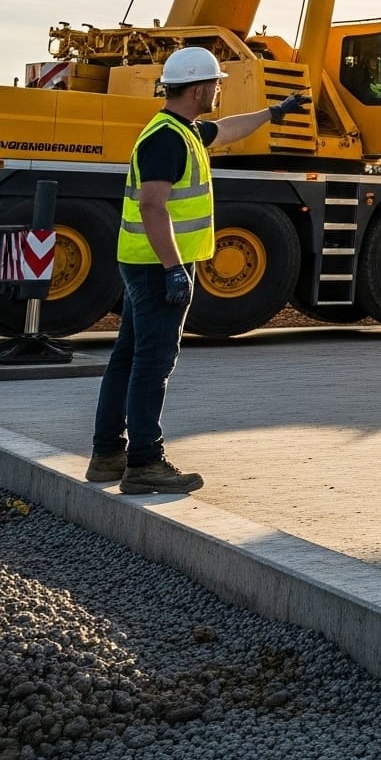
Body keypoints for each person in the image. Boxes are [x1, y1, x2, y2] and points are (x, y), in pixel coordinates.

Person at [88, 47, 307, 495]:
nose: (219, 91)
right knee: (153, 362)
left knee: (129, 357)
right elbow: (152, 206)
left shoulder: (182, 130)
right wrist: (173, 268)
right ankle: (145, 462)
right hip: (157, 265)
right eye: (215, 84)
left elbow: (226, 129)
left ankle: (107, 455)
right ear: (198, 89)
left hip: (145, 261)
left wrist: (273, 113)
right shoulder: (167, 139)